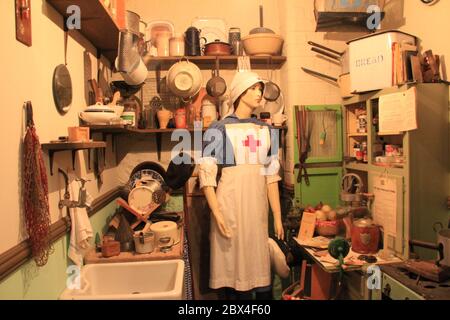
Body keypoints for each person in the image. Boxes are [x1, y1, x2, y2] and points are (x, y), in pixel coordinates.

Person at [198, 71, 284, 300]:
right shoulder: (218, 129)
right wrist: (217, 212)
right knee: (231, 268)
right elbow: (206, 175)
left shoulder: (267, 130)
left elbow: (271, 176)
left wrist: (277, 215)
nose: (259, 93)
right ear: (239, 93)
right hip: (229, 206)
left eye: (260, 89)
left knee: (258, 264)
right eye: (253, 88)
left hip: (256, 209)